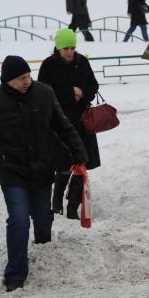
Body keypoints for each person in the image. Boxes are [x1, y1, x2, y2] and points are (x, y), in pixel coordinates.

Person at [0, 56, 87, 292]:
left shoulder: (44, 93)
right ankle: (15, 274)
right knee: (19, 219)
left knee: (42, 217)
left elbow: (64, 126)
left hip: (41, 168)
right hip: (11, 172)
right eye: (21, 78)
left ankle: (44, 249)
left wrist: (79, 155)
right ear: (8, 80)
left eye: (28, 76)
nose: (27, 81)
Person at [38, 29, 100, 219]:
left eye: (72, 47)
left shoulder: (82, 61)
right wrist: (69, 92)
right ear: (58, 47)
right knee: (64, 164)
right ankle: (56, 203)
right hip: (59, 122)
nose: (70, 52)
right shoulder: (49, 65)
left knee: (82, 163)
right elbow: (44, 92)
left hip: (82, 121)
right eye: (66, 48)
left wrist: (81, 92)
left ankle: (73, 207)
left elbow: (93, 85)